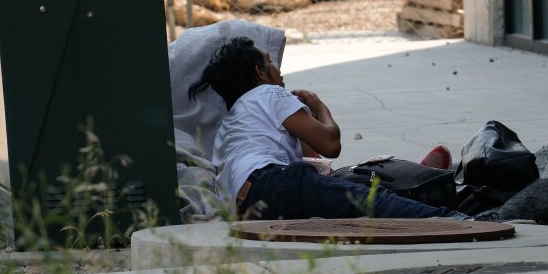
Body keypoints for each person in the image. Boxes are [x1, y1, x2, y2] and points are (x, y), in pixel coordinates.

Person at [188, 37, 470, 221]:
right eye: (270, 62)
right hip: (273, 182)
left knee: (342, 194)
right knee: (372, 199)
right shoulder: (269, 94)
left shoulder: (234, 120)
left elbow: (309, 152)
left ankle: (426, 194)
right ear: (259, 72)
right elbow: (330, 145)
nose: (278, 70)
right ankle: (458, 221)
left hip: (248, 205)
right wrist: (319, 106)